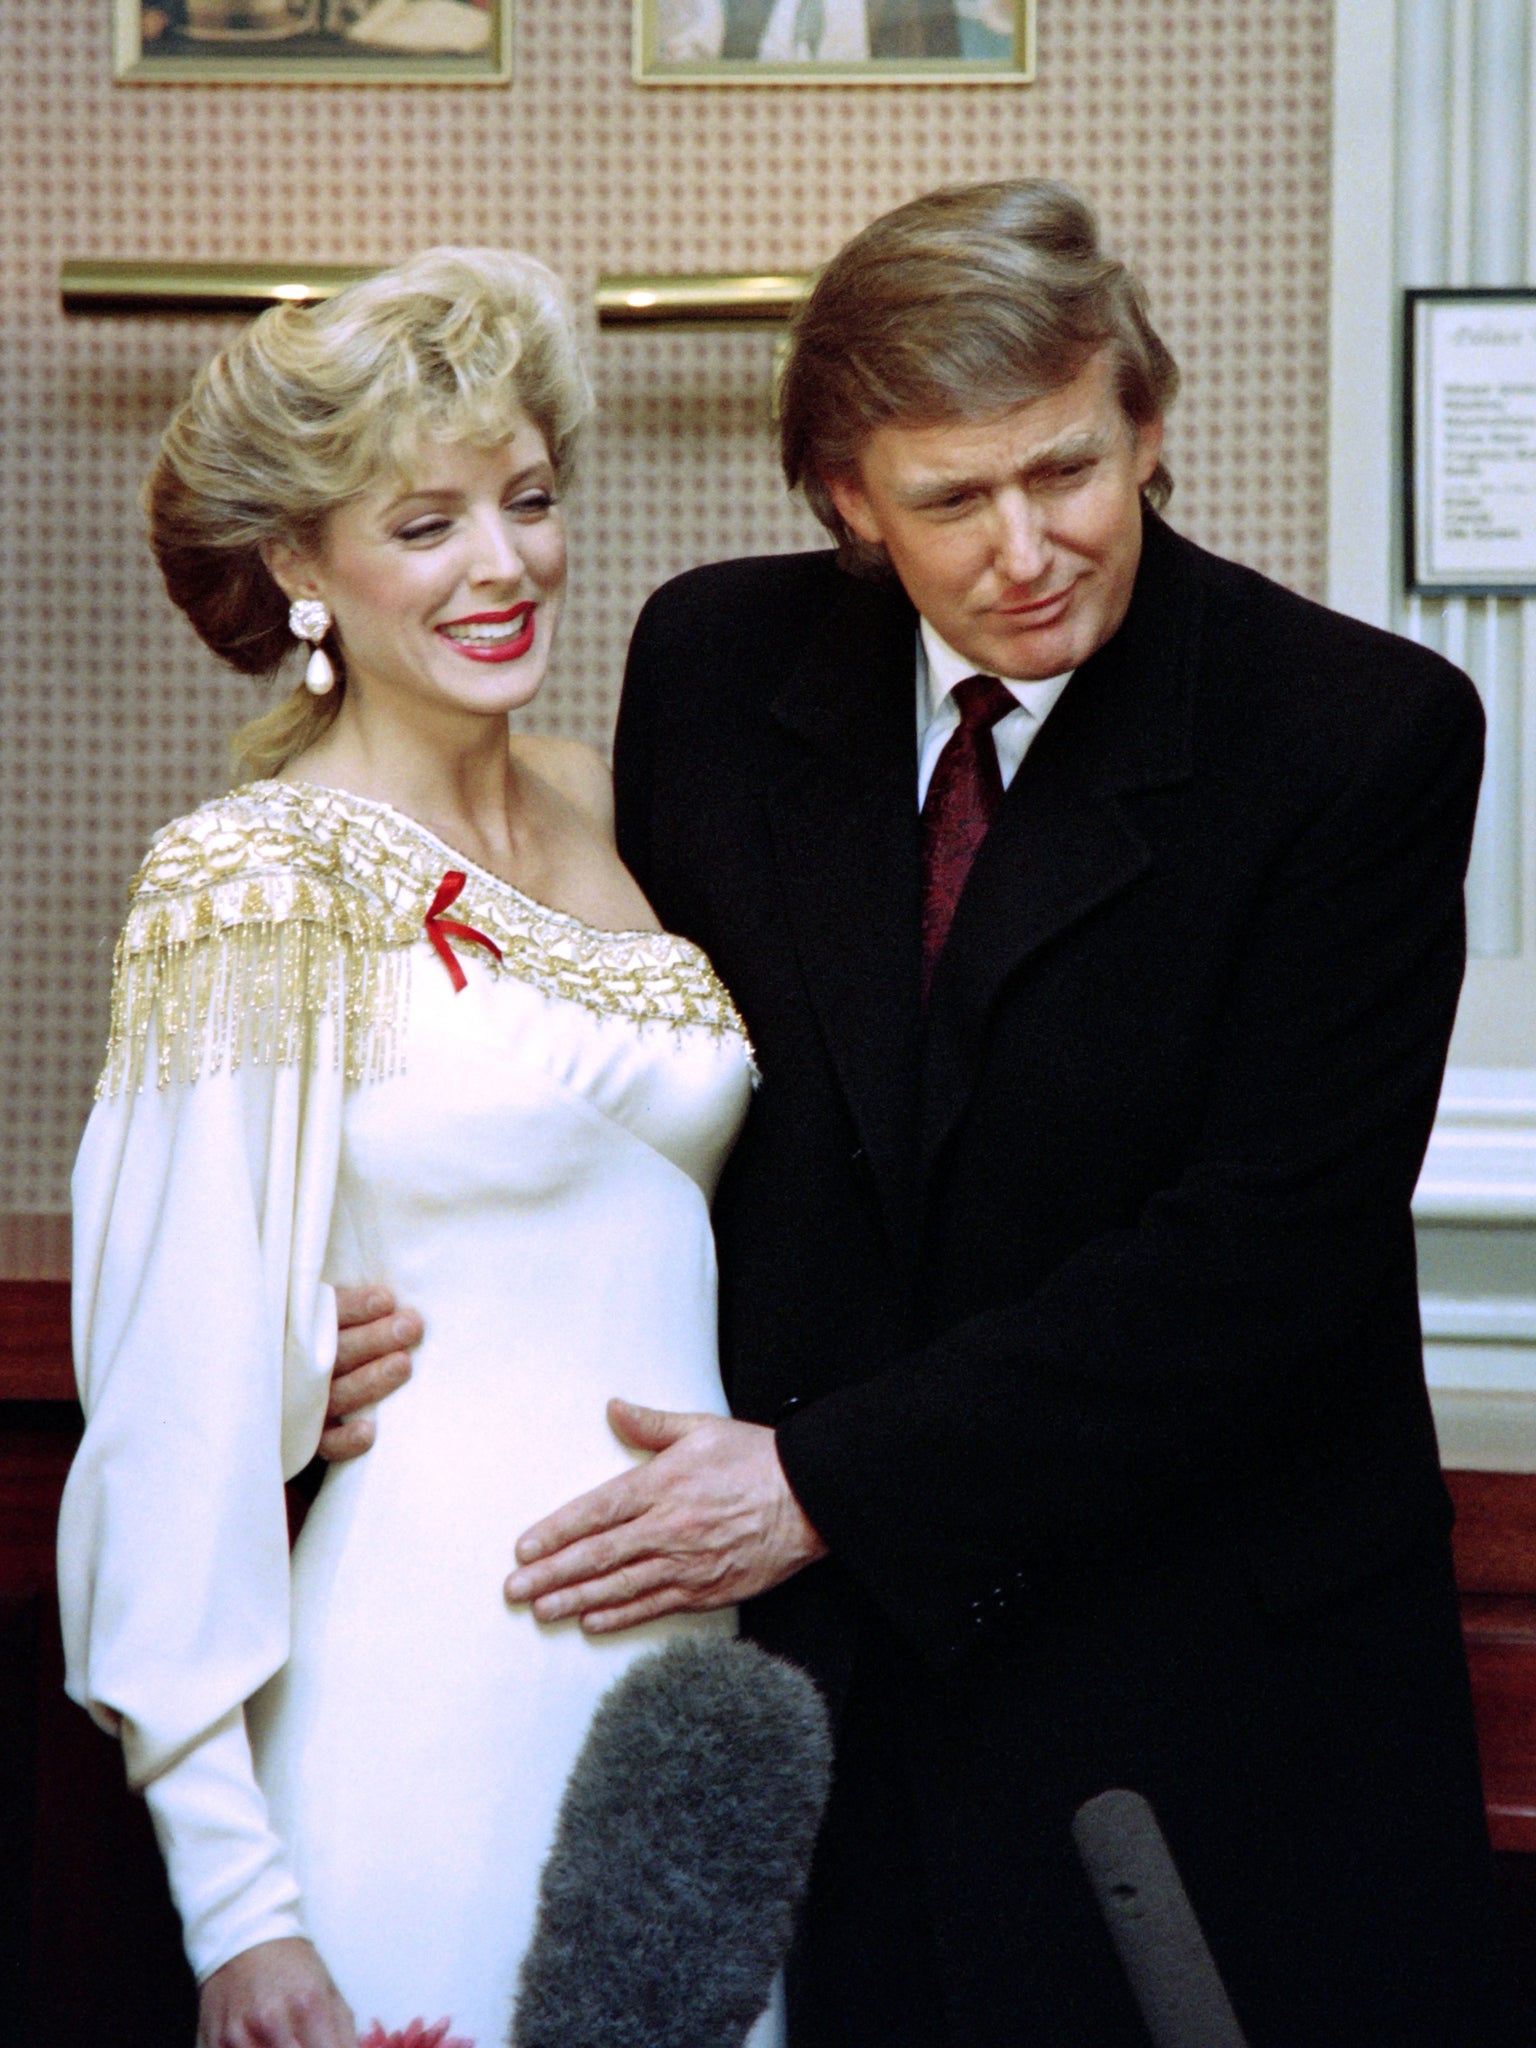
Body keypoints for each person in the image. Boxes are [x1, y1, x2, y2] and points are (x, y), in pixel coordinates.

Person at [329, 183, 1516, 2047]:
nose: (1028, 549)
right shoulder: (714, 666)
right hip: (817, 1707)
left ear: (1147, 425)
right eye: (953, 500)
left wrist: (823, 1484)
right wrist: (331, 1303)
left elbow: (1260, 1260)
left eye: (1070, 473)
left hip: (1194, 1683)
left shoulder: (1359, 732)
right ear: (846, 502)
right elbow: (612, 1072)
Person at [57, 247, 773, 2048]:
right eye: (424, 520)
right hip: (419, 1674)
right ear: (300, 561)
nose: (502, 562)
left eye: (525, 500)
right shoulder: (251, 876)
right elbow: (165, 1398)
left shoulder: (622, 800)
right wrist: (236, 1904)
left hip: (690, 1680)